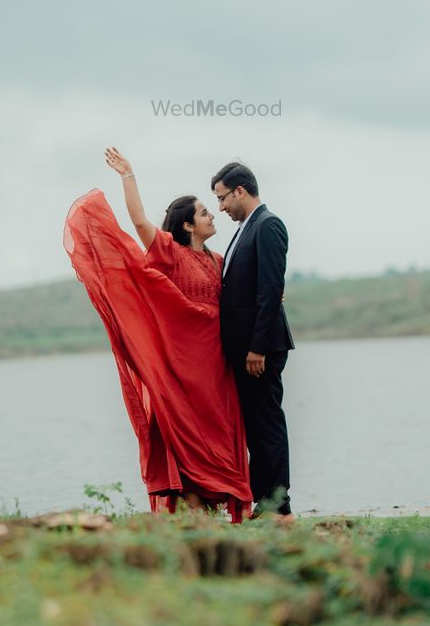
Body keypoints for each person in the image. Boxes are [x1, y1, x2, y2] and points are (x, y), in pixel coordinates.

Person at [63, 148, 252, 521]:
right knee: (185, 425)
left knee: (220, 427)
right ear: (187, 225)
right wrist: (128, 176)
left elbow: (238, 295)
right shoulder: (169, 252)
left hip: (218, 360)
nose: (212, 214)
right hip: (184, 362)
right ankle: (193, 504)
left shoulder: (217, 260)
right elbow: (138, 222)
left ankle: (217, 498)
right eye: (204, 212)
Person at [211, 161, 295, 518]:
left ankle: (279, 506)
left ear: (240, 190)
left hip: (260, 349)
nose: (220, 207)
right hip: (246, 349)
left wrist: (256, 348)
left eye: (222, 198)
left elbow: (270, 289)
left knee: (267, 425)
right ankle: (267, 502)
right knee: (257, 429)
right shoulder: (247, 228)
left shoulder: (268, 225)